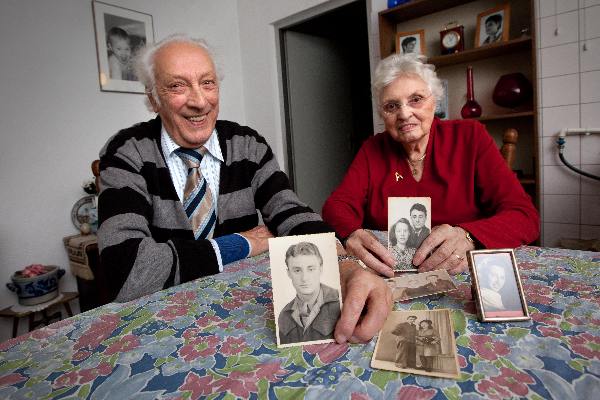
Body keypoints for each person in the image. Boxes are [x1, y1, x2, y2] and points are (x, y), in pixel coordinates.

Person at [97, 34, 391, 344]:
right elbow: (126, 270)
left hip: (242, 315)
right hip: (163, 326)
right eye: (177, 86)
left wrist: (344, 266)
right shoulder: (126, 152)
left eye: (208, 83)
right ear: (153, 97)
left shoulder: (247, 145)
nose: (199, 101)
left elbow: (291, 213)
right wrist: (241, 244)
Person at [322, 53, 539, 278]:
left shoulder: (470, 137)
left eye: (416, 99)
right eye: (391, 106)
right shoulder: (373, 149)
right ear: (382, 114)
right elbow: (337, 206)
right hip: (392, 275)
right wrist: (351, 234)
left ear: (435, 100)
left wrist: (469, 236)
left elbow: (524, 216)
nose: (404, 114)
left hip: (462, 272)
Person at [278, 242, 340, 344]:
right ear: (289, 273)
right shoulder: (284, 315)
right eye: (297, 270)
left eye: (311, 269)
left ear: (320, 269)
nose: (304, 278)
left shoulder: (339, 301)